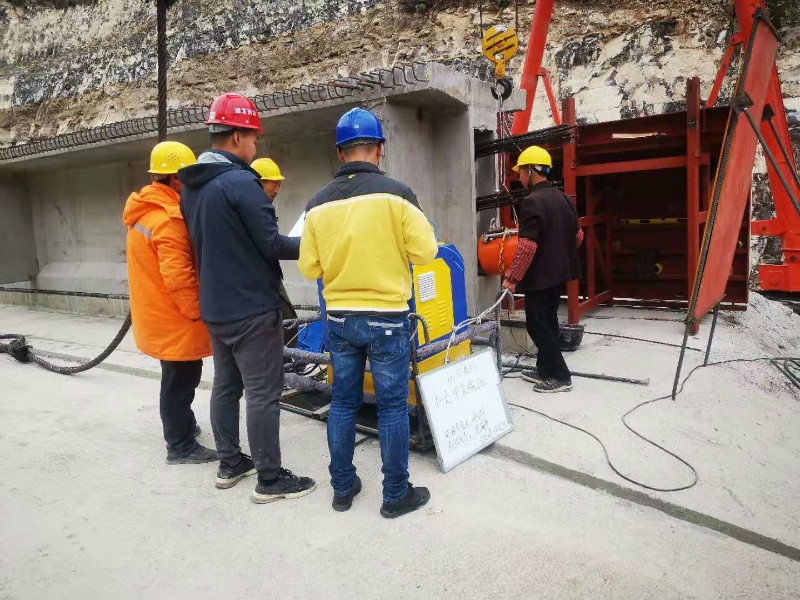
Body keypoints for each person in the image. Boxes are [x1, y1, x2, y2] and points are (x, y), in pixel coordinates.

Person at [298, 107, 438, 518]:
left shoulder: (317, 204)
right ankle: (395, 495)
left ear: (340, 153)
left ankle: (342, 489)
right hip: (387, 318)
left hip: (340, 318)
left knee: (343, 402)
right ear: (379, 148)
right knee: (392, 407)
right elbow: (426, 252)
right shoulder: (398, 195)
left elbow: (308, 267)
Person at [179, 93, 316, 503]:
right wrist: (315, 240)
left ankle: (230, 463)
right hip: (252, 309)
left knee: (225, 387)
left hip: (217, 307)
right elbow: (272, 244)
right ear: (238, 136)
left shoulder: (191, 187)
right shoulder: (242, 183)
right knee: (262, 393)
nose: (256, 144)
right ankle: (270, 479)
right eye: (254, 137)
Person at [123, 141, 217, 465]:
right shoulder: (168, 220)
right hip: (175, 319)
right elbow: (178, 278)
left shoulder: (146, 211)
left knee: (177, 378)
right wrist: (198, 313)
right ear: (176, 178)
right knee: (180, 382)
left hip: (157, 315)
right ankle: (180, 446)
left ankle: (185, 426)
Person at [502, 145, 583, 393]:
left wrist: (511, 279)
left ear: (531, 170)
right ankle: (545, 369)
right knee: (548, 320)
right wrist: (559, 255)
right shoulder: (564, 198)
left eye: (521, 171)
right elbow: (578, 236)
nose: (519, 177)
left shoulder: (532, 201)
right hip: (558, 274)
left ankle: (561, 376)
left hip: (540, 277)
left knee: (537, 325)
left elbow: (527, 246)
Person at [251, 158, 298, 339]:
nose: (277, 190)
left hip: (268, 278)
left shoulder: (260, 208)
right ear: (258, 182)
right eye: (274, 184)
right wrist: (307, 244)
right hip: (259, 284)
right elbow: (274, 245)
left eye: (279, 185)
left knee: (288, 324)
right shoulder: (251, 210)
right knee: (287, 326)